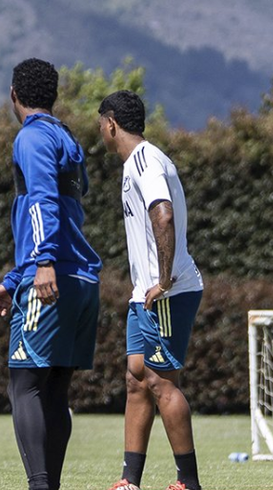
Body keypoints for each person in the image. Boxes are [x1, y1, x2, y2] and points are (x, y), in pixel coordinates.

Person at [0, 58, 102, 490]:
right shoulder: (67, 138)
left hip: (51, 276)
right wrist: (15, 278)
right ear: (54, 97)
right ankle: (49, 486)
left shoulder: (30, 138)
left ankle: (39, 486)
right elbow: (75, 202)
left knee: (25, 386)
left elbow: (41, 202)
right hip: (82, 279)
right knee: (55, 389)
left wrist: (44, 262)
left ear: (13, 94)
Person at [98, 90, 204, 490]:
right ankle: (130, 481)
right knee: (136, 378)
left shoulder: (145, 161)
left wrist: (163, 280)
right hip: (146, 293)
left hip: (167, 293)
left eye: (100, 125)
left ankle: (188, 483)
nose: (100, 132)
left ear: (111, 123)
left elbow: (163, 214)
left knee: (161, 382)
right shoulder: (133, 165)